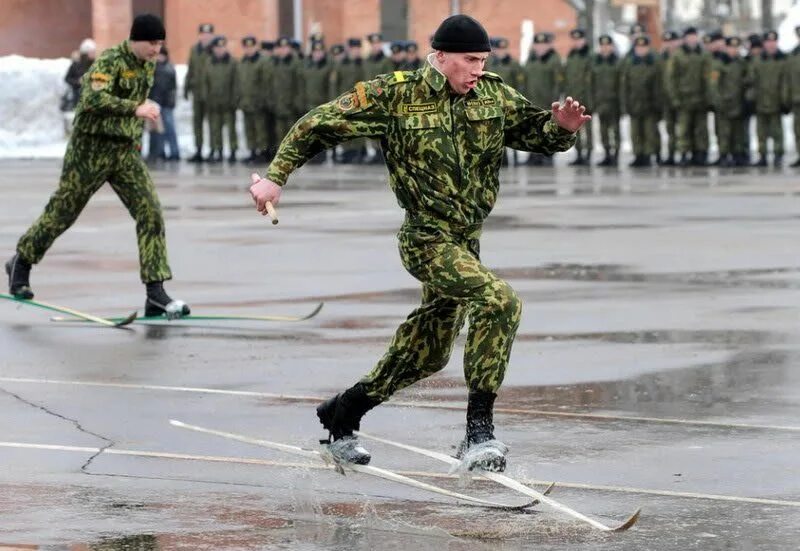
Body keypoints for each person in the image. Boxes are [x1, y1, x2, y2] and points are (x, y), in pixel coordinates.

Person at [249, 14, 588, 471]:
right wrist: (275, 178)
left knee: (427, 352)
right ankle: (478, 433)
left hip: (466, 241)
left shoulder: (492, 93)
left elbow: (535, 134)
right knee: (499, 300)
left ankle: (344, 411)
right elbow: (319, 125)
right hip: (426, 237)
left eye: (484, 60)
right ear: (441, 55)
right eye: (470, 60)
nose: (477, 70)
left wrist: (561, 127)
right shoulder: (396, 94)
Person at [5, 14, 190, 319]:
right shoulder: (109, 61)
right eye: (152, 43)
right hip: (90, 150)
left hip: (123, 153)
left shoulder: (147, 65)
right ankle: (21, 263)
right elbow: (91, 99)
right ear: (136, 39)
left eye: (160, 43)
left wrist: (136, 131)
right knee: (62, 213)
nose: (157, 49)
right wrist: (135, 108)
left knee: (150, 211)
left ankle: (155, 292)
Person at [185, 23, 214, 163]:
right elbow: (190, 69)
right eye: (203, 34)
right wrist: (186, 88)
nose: (205, 37)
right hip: (197, 92)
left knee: (213, 123)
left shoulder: (215, 50)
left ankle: (214, 150)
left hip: (210, 93)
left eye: (208, 34)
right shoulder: (194, 50)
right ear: (200, 35)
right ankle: (199, 149)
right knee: (197, 122)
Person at [147, 45, 179, 161]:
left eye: (161, 55)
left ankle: (174, 152)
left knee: (170, 129)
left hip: (166, 104)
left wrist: (170, 102)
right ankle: (158, 152)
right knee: (156, 130)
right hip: (154, 103)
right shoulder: (152, 69)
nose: (159, 58)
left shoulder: (169, 69)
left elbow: (172, 88)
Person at [63, 38, 96, 111]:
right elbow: (67, 79)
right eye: (92, 52)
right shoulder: (76, 65)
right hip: (78, 99)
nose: (94, 53)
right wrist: (78, 81)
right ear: (86, 53)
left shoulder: (96, 65)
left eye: (94, 51)